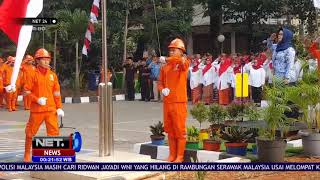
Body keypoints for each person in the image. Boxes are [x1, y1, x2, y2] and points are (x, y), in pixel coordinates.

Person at [23, 48, 64, 162]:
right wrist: (37, 100)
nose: (47, 62)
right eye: (44, 59)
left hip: (51, 109)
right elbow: (26, 91)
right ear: (38, 61)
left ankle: (52, 155)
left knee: (54, 132)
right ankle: (27, 154)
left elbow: (56, 93)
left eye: (48, 59)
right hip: (37, 110)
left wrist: (59, 107)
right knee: (30, 132)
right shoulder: (32, 74)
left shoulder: (52, 75)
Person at [158, 38, 189, 163]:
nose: (171, 52)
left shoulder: (183, 63)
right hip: (168, 102)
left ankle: (179, 156)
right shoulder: (165, 67)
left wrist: (167, 58)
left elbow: (179, 61)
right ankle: (172, 155)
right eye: (170, 50)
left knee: (179, 130)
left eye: (174, 50)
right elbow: (160, 82)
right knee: (170, 130)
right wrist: (162, 89)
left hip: (179, 102)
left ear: (181, 52)